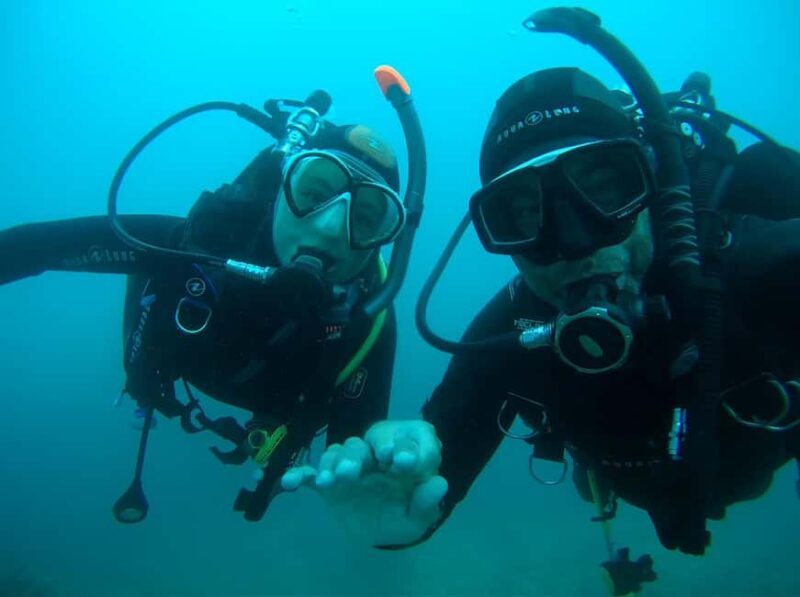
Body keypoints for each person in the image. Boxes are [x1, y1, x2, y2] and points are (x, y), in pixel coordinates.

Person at [281, 20, 800, 595]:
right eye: (524, 216)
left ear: (654, 185)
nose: (577, 243)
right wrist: (393, 519)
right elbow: (424, 485)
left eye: (605, 188)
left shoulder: (760, 269)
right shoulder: (512, 337)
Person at [0, 79, 425, 524]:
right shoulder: (192, 244)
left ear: (383, 241)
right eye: (314, 193)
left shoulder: (367, 322)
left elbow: (357, 456)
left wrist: (378, 492)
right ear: (282, 186)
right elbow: (36, 246)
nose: (329, 228)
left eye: (366, 217)